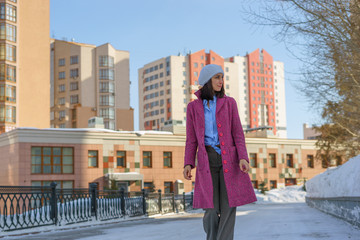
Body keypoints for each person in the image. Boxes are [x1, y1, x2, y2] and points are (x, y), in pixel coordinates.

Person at [183, 64, 257, 240]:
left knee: (229, 206)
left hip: (229, 159)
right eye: (217, 77)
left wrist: (243, 158)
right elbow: (191, 139)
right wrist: (188, 162)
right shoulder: (193, 107)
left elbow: (238, 133)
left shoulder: (229, 103)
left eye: (222, 77)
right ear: (207, 81)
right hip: (206, 159)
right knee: (210, 208)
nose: (221, 81)